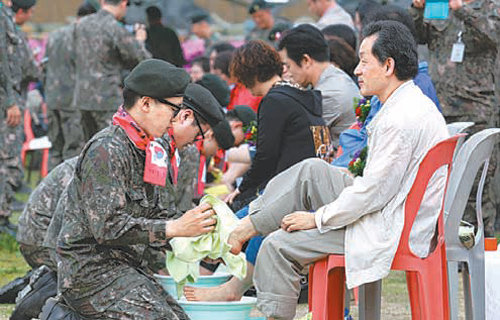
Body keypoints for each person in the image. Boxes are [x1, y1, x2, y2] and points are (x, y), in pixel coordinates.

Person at [211, 21, 449, 319]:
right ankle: (247, 226)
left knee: (276, 245)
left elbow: (372, 194)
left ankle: (271, 306)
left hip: (391, 225)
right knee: (311, 169)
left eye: (364, 61)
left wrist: (316, 218)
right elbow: (377, 186)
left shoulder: (399, 119)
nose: (357, 69)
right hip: (394, 211)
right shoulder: (409, 103)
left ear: (388, 66)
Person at [54, 59, 234, 318]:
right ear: (146, 103)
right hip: (89, 273)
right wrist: (175, 228)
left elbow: (156, 214)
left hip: (122, 266)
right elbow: (107, 227)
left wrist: (201, 237)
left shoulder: (145, 147)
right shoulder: (108, 149)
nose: (175, 119)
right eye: (174, 109)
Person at [410, 0, 499, 237]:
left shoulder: (490, 7)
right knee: (441, 183)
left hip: (476, 107)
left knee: (477, 184)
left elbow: (493, 36)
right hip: (439, 108)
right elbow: (418, 36)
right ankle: (445, 251)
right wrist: (417, 9)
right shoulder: (439, 5)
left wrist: (462, 9)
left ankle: (481, 249)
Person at [333, 3, 442, 168]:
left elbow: (372, 171)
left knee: (310, 171)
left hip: (365, 181)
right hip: (363, 174)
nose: (357, 71)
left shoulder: (406, 99)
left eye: (365, 60)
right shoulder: (402, 86)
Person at [72, 0, 151, 141]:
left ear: (102, 2)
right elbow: (141, 59)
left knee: (87, 148)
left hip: (82, 98)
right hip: (106, 98)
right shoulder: (115, 28)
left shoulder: (80, 25)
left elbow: (71, 56)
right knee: (109, 147)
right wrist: (140, 40)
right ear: (123, 4)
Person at [278, 24, 360, 146]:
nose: (287, 72)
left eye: (288, 66)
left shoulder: (327, 94)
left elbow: (299, 141)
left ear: (306, 60)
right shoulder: (335, 77)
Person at [0, 0, 39, 234]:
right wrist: (10, 102)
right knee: (7, 160)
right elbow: (4, 62)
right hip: (7, 102)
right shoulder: (3, 18)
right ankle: (2, 219)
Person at [44, 2, 96, 170]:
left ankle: (49, 191)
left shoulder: (54, 35)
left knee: (55, 148)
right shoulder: (82, 37)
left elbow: (45, 65)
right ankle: (68, 190)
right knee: (73, 149)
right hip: (72, 101)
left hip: (52, 98)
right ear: (91, 18)